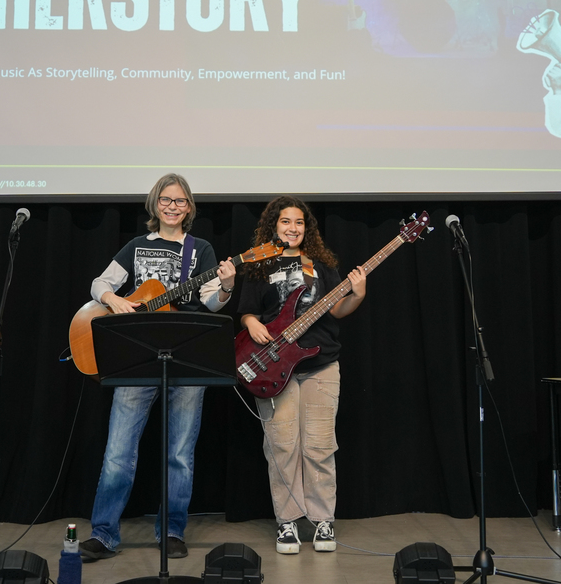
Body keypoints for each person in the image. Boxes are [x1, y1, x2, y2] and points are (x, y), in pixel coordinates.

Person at [79, 173, 236, 561]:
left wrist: (228, 286)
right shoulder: (136, 247)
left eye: (180, 201)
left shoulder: (200, 250)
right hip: (137, 359)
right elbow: (100, 283)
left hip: (186, 357)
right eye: (165, 199)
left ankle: (171, 531)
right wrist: (113, 300)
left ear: (189, 208)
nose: (172, 206)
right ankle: (104, 534)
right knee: (118, 451)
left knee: (180, 453)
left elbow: (211, 303)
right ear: (155, 204)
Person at [237, 196, 366, 555]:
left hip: (321, 364)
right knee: (281, 445)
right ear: (272, 227)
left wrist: (358, 293)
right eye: (285, 222)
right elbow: (246, 311)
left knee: (320, 445)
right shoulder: (258, 263)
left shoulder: (321, 266)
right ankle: (287, 523)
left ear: (306, 229)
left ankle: (323, 521)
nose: (292, 228)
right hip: (274, 365)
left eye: (299, 223)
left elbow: (338, 310)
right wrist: (253, 325)